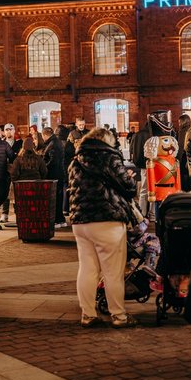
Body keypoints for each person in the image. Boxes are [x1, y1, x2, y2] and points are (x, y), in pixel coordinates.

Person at [67, 127, 139, 328]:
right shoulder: (108, 157)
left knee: (87, 268)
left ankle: (88, 314)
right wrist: (130, 177)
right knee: (113, 272)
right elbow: (129, 187)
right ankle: (119, 315)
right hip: (107, 219)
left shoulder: (75, 161)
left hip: (81, 221)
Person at [40, 126, 68, 228]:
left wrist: (43, 167)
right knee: (58, 198)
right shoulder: (57, 142)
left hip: (53, 176)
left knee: (54, 198)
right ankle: (60, 219)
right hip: (59, 174)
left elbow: (52, 162)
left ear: (45, 135)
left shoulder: (52, 145)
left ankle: (56, 220)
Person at [177, 114, 191, 191]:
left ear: (183, 122)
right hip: (188, 157)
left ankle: (185, 194)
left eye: (180, 122)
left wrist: (178, 159)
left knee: (184, 177)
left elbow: (182, 146)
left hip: (184, 157)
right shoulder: (190, 130)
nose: (179, 124)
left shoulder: (184, 132)